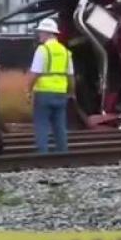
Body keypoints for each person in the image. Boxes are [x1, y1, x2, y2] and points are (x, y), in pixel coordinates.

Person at [25, 18, 75, 154]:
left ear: (48, 33)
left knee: (42, 124)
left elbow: (34, 73)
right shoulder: (65, 52)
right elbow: (70, 76)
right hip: (60, 94)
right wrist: (71, 92)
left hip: (44, 93)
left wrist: (28, 91)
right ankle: (62, 152)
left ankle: (43, 153)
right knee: (60, 125)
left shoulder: (43, 50)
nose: (39, 35)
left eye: (41, 32)